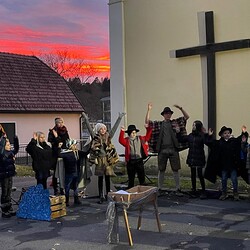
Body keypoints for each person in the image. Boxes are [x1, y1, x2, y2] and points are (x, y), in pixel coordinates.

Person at [145, 103, 189, 196]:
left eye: (169, 113)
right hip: (162, 150)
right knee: (161, 170)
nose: (168, 115)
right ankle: (160, 188)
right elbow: (147, 122)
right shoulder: (159, 124)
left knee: (176, 169)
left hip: (173, 149)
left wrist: (181, 108)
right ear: (163, 115)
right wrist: (149, 110)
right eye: (166, 113)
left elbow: (186, 117)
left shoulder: (175, 123)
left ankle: (178, 188)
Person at [82, 112, 125, 204]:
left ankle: (108, 195)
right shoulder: (95, 137)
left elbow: (114, 129)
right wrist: (86, 119)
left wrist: (119, 118)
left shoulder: (108, 136)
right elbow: (90, 129)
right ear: (98, 130)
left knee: (108, 178)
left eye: (104, 128)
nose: (103, 130)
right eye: (101, 129)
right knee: (100, 178)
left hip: (108, 160)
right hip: (99, 160)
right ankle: (101, 195)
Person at [178, 120, 213, 199]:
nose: (193, 127)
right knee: (193, 174)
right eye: (193, 125)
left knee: (200, 175)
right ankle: (193, 190)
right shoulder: (190, 135)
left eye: (194, 125)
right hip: (192, 157)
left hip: (199, 157)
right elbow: (181, 139)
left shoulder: (202, 136)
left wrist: (209, 136)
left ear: (197, 127)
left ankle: (203, 191)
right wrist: (178, 132)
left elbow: (208, 142)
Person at [119, 124, 152, 189]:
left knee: (141, 176)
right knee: (131, 177)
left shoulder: (140, 138)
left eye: (134, 132)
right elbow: (120, 140)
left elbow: (148, 137)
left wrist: (148, 128)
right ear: (129, 134)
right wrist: (122, 131)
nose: (134, 134)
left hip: (139, 160)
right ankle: (130, 189)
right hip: (131, 161)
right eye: (132, 133)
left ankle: (142, 188)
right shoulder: (127, 140)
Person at [58, 139, 88, 207]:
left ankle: (71, 200)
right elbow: (58, 155)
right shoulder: (69, 153)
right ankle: (70, 200)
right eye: (75, 145)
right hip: (72, 173)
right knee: (71, 187)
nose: (76, 146)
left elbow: (58, 154)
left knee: (72, 187)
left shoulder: (74, 153)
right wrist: (59, 147)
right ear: (71, 145)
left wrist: (59, 147)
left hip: (73, 173)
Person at [48, 117, 70, 195]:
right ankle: (55, 189)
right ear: (56, 123)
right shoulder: (52, 131)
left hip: (64, 152)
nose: (60, 124)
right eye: (59, 123)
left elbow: (67, 140)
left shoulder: (65, 130)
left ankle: (62, 188)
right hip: (55, 153)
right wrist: (57, 139)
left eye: (62, 122)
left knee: (63, 171)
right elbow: (51, 142)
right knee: (56, 172)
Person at [0, 135, 19, 218]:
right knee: (4, 192)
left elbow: (16, 149)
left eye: (9, 145)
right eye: (7, 145)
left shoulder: (10, 153)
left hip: (10, 174)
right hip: (4, 175)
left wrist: (15, 140)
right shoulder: (2, 154)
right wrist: (3, 139)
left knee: (9, 192)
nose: (9, 146)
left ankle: (9, 208)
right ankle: (4, 210)